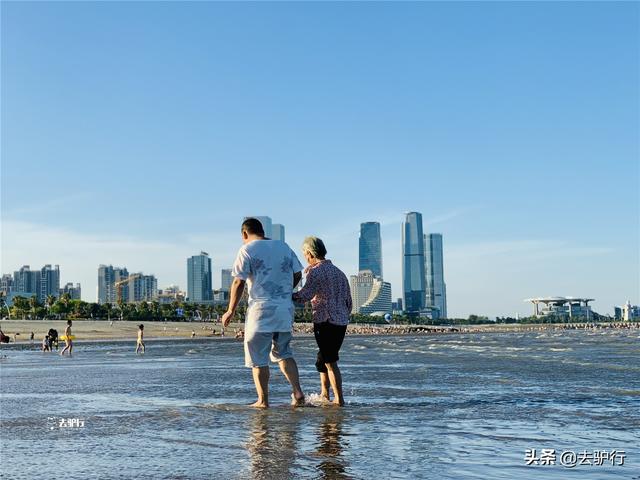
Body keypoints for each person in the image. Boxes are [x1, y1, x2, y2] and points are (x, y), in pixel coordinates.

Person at [222, 218, 305, 408]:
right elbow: (299, 273)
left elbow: (238, 282)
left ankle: (263, 400)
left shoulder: (247, 249)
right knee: (284, 353)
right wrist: (285, 291)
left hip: (261, 311)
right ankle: (298, 392)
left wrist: (230, 311)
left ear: (244, 234)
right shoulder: (283, 246)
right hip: (284, 310)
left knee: (258, 358)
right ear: (262, 230)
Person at [292, 237, 352, 406]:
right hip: (341, 322)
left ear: (310, 253)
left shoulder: (315, 271)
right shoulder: (339, 272)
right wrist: (342, 315)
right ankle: (325, 394)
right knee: (322, 358)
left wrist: (287, 295)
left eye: (305, 254)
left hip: (325, 320)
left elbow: (305, 295)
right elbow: (349, 301)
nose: (305, 258)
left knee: (330, 361)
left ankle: (339, 400)